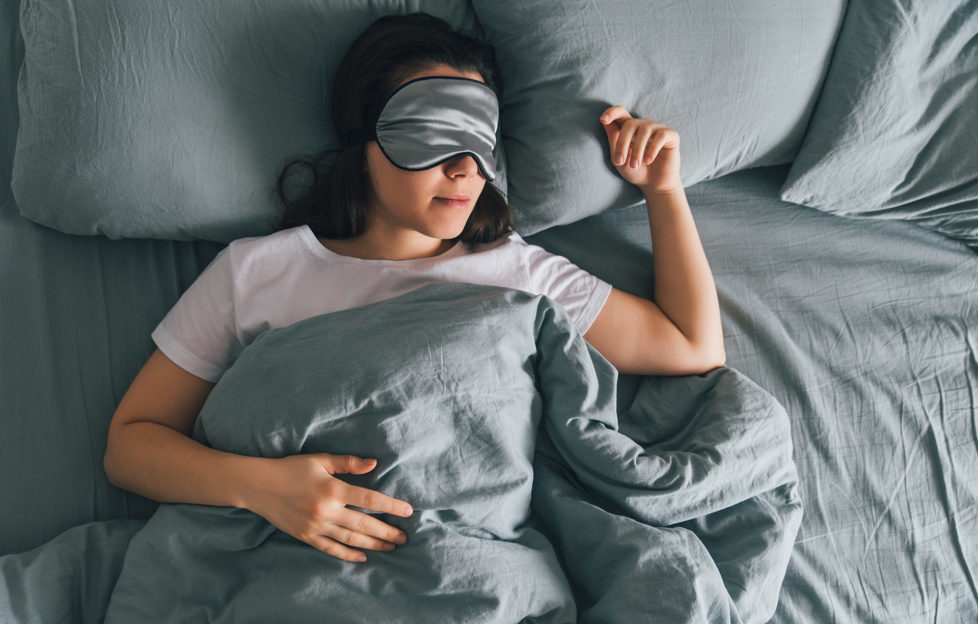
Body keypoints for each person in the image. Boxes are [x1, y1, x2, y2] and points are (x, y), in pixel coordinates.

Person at [103, 13, 724, 566]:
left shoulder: (518, 273)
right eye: (432, 132)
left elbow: (691, 345)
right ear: (363, 141)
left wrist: (664, 192)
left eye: (479, 138)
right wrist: (262, 486)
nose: (464, 168)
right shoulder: (254, 273)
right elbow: (131, 445)